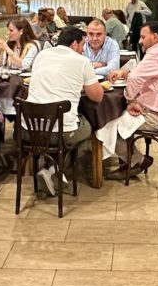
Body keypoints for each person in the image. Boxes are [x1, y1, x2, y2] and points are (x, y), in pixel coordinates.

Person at [24, 26, 104, 194]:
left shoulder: (42, 55)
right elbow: (97, 97)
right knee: (88, 127)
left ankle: (51, 168)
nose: (83, 49)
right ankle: (55, 170)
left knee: (62, 125)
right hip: (60, 132)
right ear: (74, 44)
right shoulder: (82, 61)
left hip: (29, 130)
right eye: (82, 44)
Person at [106, 20, 158, 173]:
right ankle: (130, 161)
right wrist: (124, 73)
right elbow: (144, 74)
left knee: (107, 127)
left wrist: (131, 100)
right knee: (117, 119)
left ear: (155, 37)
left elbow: (135, 78)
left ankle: (137, 161)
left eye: (143, 37)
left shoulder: (157, 54)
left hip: (157, 118)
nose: (140, 41)